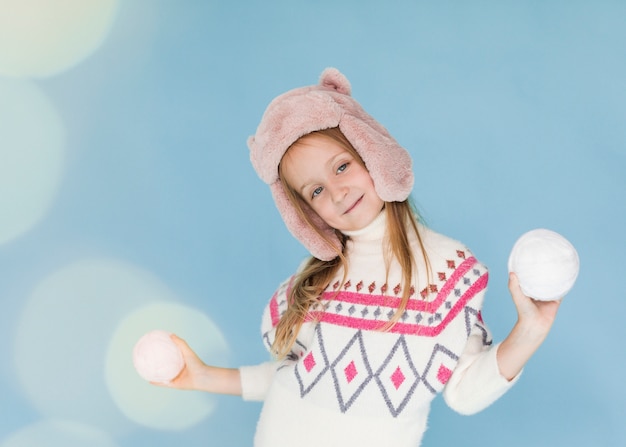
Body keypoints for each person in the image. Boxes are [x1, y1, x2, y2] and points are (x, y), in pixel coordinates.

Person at [159, 68, 561, 446]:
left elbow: (465, 391)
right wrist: (204, 377)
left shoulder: (446, 271)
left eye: (342, 166)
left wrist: (529, 332)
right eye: (315, 191)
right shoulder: (315, 278)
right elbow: (302, 378)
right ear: (305, 214)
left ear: (372, 153)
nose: (336, 192)